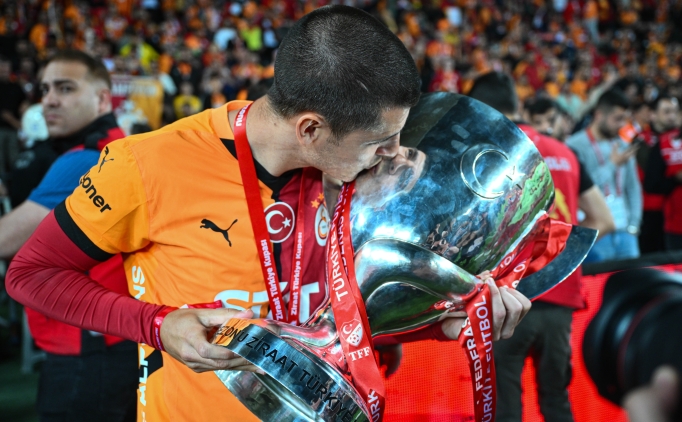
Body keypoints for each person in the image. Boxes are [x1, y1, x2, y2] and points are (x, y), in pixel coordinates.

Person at [7, 7, 531, 422]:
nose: (394, 155)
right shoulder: (146, 165)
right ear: (310, 130)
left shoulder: (350, 173)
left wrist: (441, 322)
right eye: (380, 140)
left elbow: (329, 322)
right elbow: (31, 273)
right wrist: (157, 325)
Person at [468, 71, 615, 422]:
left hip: (507, 298)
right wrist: (559, 254)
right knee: (556, 400)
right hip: (561, 296)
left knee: (504, 406)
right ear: (516, 105)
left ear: (479, 110)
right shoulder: (565, 152)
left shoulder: (486, 154)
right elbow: (604, 220)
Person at [0, 50, 135, 422]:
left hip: (86, 345)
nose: (49, 100)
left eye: (65, 88)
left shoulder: (83, 160)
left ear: (102, 99)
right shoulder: (116, 147)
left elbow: (4, 240)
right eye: (44, 89)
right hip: (110, 335)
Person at [567, 89, 643, 263]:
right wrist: (612, 164)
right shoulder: (574, 145)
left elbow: (633, 188)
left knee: (632, 279)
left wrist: (634, 225)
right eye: (617, 119)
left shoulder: (623, 145)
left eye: (625, 119)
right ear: (599, 115)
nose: (622, 125)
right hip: (597, 232)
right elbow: (580, 188)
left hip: (625, 231)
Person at [640, 95, 680, 254]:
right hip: (650, 210)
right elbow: (650, 181)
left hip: (673, 213)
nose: (672, 116)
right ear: (653, 115)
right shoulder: (642, 142)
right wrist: (676, 178)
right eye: (667, 112)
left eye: (675, 112)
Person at [0, 56, 28, 178]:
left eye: (6, 66)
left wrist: (25, 108)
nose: (4, 69)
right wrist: (16, 123)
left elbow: (24, 103)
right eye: (1, 66)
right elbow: (4, 114)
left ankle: (17, 183)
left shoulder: (16, 87)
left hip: (13, 130)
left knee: (15, 159)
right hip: (2, 129)